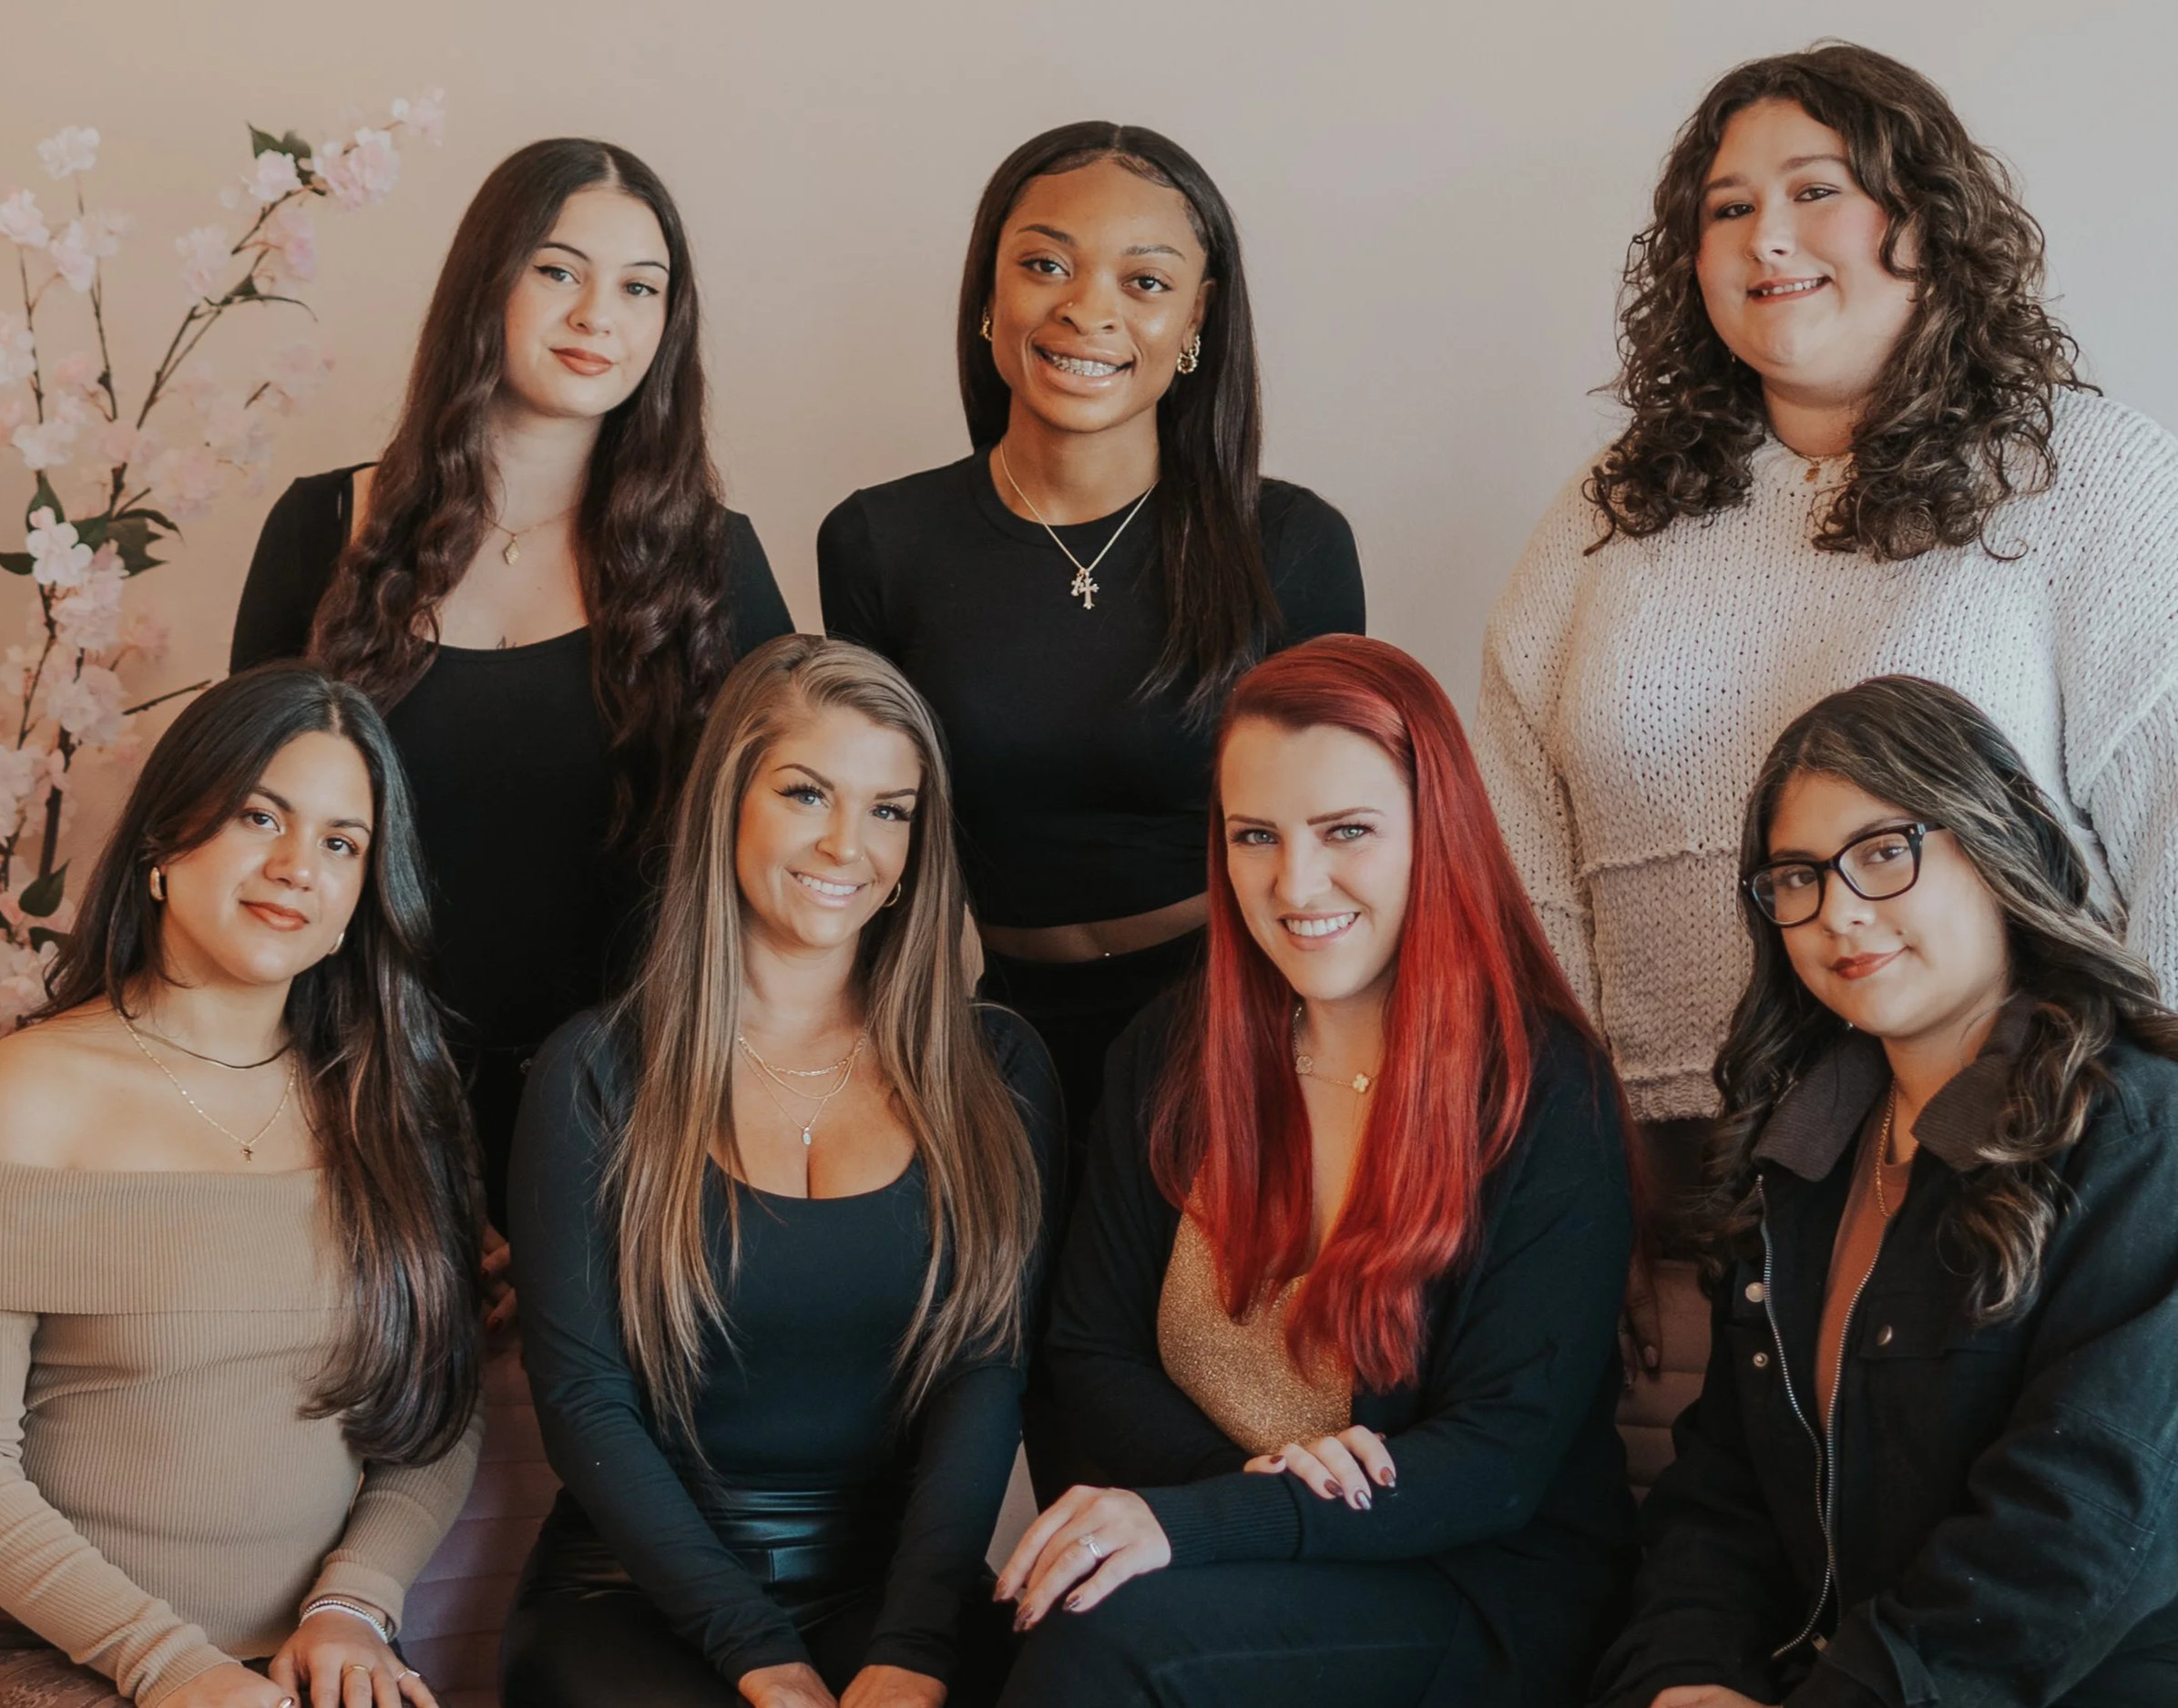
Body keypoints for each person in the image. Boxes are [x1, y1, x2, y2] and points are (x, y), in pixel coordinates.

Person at [1472, 45, 2178, 1311]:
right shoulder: (1604, 521)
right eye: (1727, 207)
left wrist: (2132, 1183)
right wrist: (1562, 1181)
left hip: (2011, 1179)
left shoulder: (2088, 483)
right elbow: (1522, 877)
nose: (1767, 237)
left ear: (1926, 219)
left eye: (1815, 190)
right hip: (1659, 1193)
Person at [997, 635, 1637, 1708]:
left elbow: (1499, 1458)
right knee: (1027, 1618)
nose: (1295, 884)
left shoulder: (1541, 1089)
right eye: (1256, 836)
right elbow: (1088, 1355)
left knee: (1104, 1646)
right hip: (1240, 1557)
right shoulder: (1169, 1054)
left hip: (1469, 1583)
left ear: (1436, 832)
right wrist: (1242, 1506)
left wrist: (1219, 1525)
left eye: (1346, 831)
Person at [232, 138, 795, 1225]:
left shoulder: (714, 563)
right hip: (344, 1102)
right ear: (484, 282)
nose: (597, 316)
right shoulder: (321, 529)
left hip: (622, 1117)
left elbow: (766, 867)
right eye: (558, 270)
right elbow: (240, 835)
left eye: (639, 288)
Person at [1591, 673, 2178, 1708]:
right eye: (1797, 877)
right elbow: (1722, 1491)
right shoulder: (1799, 1152)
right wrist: (1684, 1674)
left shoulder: (2137, 1132)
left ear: (1996, 845)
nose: (1840, 914)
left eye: (1882, 853)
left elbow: (2077, 1524)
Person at [501, 636, 1058, 1708]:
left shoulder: (996, 1070)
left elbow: (984, 1373)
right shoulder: (597, 1071)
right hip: (633, 1595)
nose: (848, 845)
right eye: (807, 793)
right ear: (728, 803)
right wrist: (755, 1649)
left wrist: (916, 1646)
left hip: (897, 1593)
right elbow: (583, 1397)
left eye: (889, 810)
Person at [819, 119, 1365, 1155]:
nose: (1087, 309)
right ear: (990, 291)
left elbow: (1346, 844)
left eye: (1145, 281)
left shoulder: (1290, 544)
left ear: (1197, 316)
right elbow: (872, 845)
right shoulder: (878, 543)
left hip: (1236, 1033)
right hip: (982, 1041)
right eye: (1045, 265)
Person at [0, 663, 485, 1708]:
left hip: (318, 1664)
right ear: (163, 844)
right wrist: (173, 1670)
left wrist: (354, 1604)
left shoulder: (391, 1109)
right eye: (260, 816)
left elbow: (438, 1415)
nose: (297, 867)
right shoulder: (28, 1095)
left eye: (341, 843)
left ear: (359, 899)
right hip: (63, 1661)